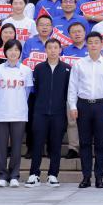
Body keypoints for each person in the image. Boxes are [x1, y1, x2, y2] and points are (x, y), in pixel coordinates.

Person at [68, 32, 103, 188]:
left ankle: (99, 177)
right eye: (90, 42)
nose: (93, 45)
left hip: (102, 106)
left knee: (100, 143)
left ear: (102, 44)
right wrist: (73, 106)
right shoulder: (79, 64)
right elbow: (73, 86)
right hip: (83, 105)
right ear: (86, 45)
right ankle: (86, 177)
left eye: (96, 42)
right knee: (84, 143)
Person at [0, 40, 32, 187]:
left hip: (19, 113)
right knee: (0, 146)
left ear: (20, 52)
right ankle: (2, 175)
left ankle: (14, 175)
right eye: (10, 50)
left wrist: (17, 103)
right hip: (1, 112)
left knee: (16, 146)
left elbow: (27, 92)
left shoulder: (26, 70)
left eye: (16, 50)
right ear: (5, 52)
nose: (13, 53)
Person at [28, 38, 71, 186]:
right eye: (50, 48)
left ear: (60, 50)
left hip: (59, 113)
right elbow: (35, 91)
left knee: (56, 144)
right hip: (40, 112)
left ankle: (53, 174)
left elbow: (69, 92)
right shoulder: (39, 68)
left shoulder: (67, 69)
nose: (53, 50)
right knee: (37, 144)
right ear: (45, 50)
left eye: (55, 48)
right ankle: (34, 174)